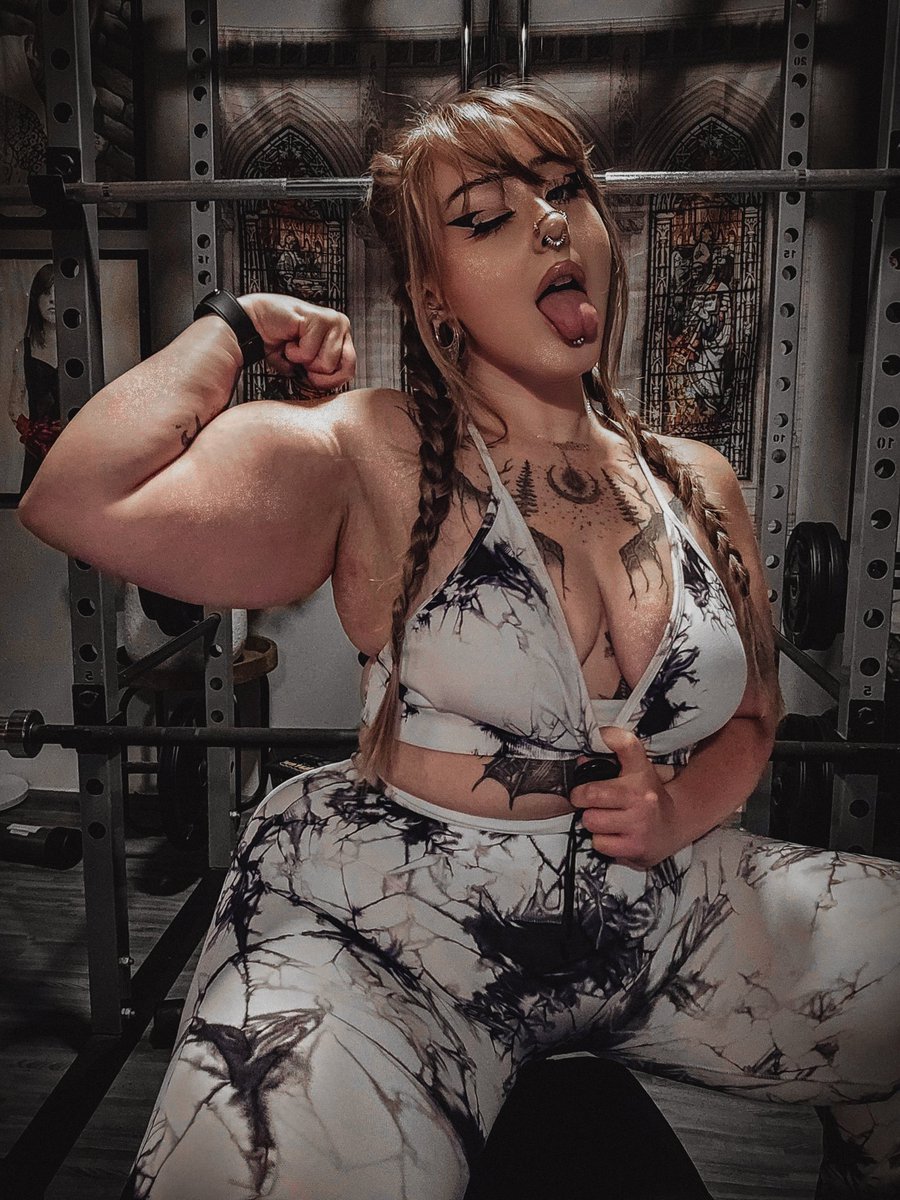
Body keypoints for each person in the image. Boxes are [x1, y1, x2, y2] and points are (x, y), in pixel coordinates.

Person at [17, 88, 900, 1199]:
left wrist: (679, 810)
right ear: (434, 294)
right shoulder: (373, 448)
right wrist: (234, 327)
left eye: (565, 189)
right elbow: (77, 498)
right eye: (486, 215)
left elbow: (757, 714)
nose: (550, 221)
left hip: (654, 914)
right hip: (395, 929)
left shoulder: (696, 478)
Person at [7, 263, 61, 497]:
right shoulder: (23, 350)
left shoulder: (80, 349)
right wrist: (32, 433)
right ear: (36, 298)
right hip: (38, 450)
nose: (53, 300)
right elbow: (14, 404)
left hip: (72, 446)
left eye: (58, 292)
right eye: (46, 293)